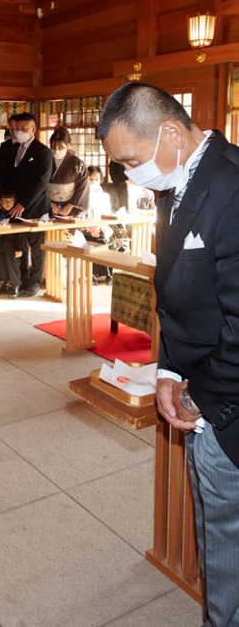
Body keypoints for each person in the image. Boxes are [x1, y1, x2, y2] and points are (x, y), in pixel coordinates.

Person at [98, 82, 239, 627]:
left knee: (226, 536)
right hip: (197, 380)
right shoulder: (175, 180)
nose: (130, 175)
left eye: (131, 161)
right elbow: (177, 291)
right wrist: (169, 370)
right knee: (216, 534)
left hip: (226, 404)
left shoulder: (231, 185)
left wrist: (203, 398)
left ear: (173, 135)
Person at [0, 111, 53, 297]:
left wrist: (23, 203)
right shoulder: (11, 149)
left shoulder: (43, 151)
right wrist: (1, 199)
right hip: (13, 207)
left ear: (34, 129)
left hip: (35, 207)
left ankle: (35, 281)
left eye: (24, 129)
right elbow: (5, 176)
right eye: (17, 128)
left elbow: (41, 182)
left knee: (36, 246)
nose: (20, 132)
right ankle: (19, 277)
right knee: (17, 243)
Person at [48, 126, 89, 218]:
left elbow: (83, 186)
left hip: (70, 208)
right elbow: (40, 183)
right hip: (49, 206)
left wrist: (70, 206)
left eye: (61, 147)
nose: (57, 150)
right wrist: (49, 203)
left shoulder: (77, 164)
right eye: (53, 146)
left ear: (69, 145)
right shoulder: (45, 161)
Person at [0, 189, 26, 296]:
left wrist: (20, 249)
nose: (8, 203)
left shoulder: (16, 215)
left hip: (13, 245)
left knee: (12, 265)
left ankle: (15, 283)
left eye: (11, 201)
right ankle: (2, 281)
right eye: (5, 200)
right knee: (0, 263)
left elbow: (21, 233)